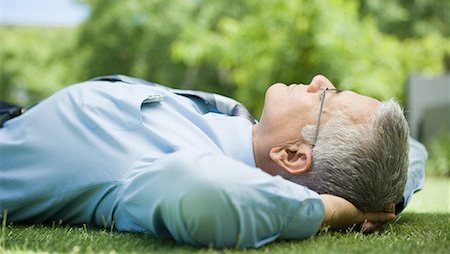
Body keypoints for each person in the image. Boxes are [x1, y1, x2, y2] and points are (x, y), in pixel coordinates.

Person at [0, 74, 427, 248]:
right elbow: (415, 155)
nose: (320, 81)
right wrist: (393, 194)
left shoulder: (173, 166)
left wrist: (328, 210)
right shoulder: (248, 136)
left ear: (293, 155)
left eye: (328, 98)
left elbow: (199, 191)